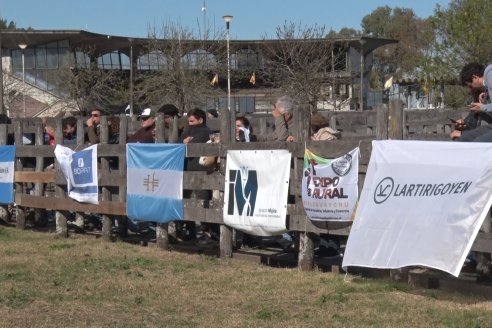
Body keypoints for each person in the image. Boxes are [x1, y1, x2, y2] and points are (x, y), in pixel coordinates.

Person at [177, 108, 216, 243]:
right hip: (187, 170)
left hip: (201, 172)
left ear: (200, 120)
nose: (190, 123)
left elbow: (193, 144)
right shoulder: (188, 131)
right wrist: (184, 142)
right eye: (189, 121)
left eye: (192, 121)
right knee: (185, 200)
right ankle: (190, 229)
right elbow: (178, 144)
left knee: (203, 201)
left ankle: (208, 233)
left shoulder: (205, 132)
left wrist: (185, 142)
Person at [453, 62, 492, 142]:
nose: (472, 89)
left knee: (477, 144)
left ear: (475, 78)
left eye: (470, 86)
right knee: (464, 139)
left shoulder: (489, 72)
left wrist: (482, 107)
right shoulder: (486, 90)